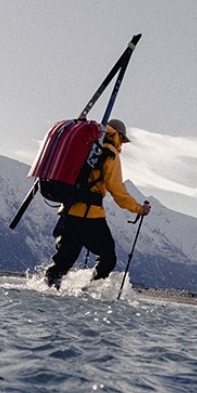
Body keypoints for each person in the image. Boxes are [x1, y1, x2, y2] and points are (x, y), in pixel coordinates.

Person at [44, 118, 151, 287]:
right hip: (90, 216)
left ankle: (46, 289)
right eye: (122, 140)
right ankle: (90, 290)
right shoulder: (110, 153)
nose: (122, 145)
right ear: (119, 136)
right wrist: (138, 209)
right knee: (108, 258)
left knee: (63, 262)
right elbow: (117, 190)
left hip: (68, 211)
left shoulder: (85, 146)